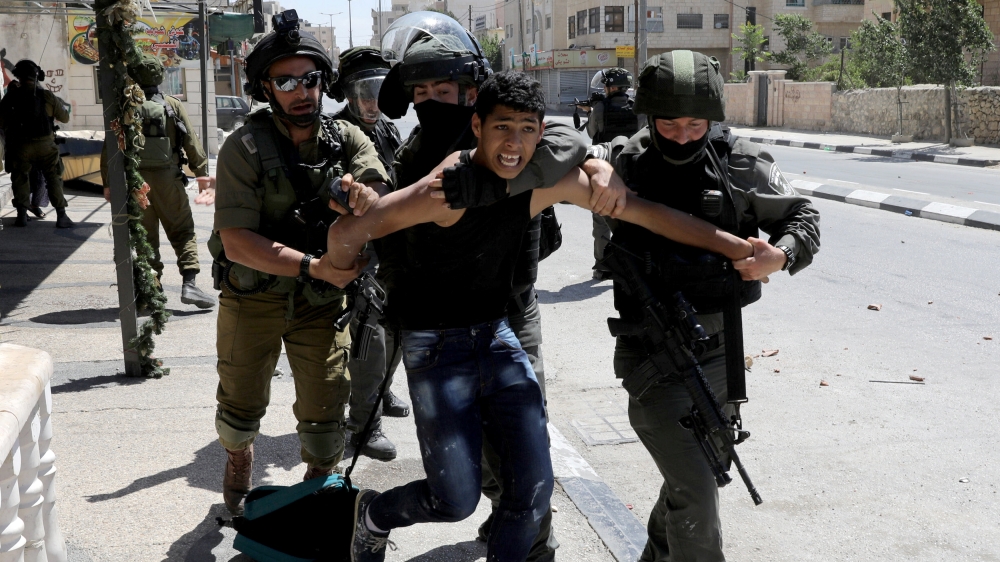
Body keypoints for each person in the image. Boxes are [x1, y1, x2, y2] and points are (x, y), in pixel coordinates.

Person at [312, 69, 755, 562]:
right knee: (455, 500)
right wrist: (336, 267)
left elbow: (642, 211)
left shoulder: (533, 184)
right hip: (435, 351)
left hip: (498, 338)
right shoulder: (444, 190)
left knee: (532, 495)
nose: (513, 143)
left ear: (541, 133)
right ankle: (373, 515)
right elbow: (353, 229)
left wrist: (739, 248)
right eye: (502, 127)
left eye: (527, 129)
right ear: (477, 125)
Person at [375, 12, 621, 561]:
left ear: (471, 93)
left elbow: (560, 133)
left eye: (445, 88)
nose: (432, 99)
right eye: (421, 91)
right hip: (441, 324)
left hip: (513, 309)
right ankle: (500, 517)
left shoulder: (505, 130)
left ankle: (533, 543)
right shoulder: (418, 159)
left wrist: (596, 158)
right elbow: (392, 243)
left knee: (526, 448)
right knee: (473, 468)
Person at [594, 50, 821, 562]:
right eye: (668, 124)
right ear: (648, 116)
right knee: (696, 489)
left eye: (695, 124)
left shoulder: (739, 161)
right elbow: (551, 154)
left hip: (718, 348)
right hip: (650, 354)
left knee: (695, 473)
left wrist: (779, 255)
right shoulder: (623, 161)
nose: (680, 135)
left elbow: (803, 217)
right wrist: (596, 165)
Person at [207, 11, 388, 516]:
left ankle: (313, 498)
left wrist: (362, 194)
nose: (300, 91)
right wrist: (314, 266)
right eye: (285, 81)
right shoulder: (243, 147)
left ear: (323, 83)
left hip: (320, 304)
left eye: (309, 79)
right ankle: (239, 459)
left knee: (326, 412)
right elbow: (237, 241)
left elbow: (377, 185)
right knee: (240, 405)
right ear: (266, 88)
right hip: (252, 297)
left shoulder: (345, 138)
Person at [329, 45, 409, 462]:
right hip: (359, 250)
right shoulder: (337, 134)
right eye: (363, 92)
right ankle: (362, 426)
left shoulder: (388, 130)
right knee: (368, 336)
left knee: (395, 330)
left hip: (390, 243)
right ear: (347, 92)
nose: (371, 102)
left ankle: (380, 392)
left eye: (379, 90)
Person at [100, 54, 216, 309]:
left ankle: (150, 293)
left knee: (145, 238)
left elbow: (110, 147)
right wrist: (201, 175)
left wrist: (109, 183)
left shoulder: (123, 107)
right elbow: (192, 144)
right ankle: (189, 284)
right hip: (169, 180)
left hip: (136, 183)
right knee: (182, 231)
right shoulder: (172, 105)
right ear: (159, 78)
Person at [577, 67, 640, 280]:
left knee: (601, 219)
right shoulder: (636, 107)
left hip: (605, 165)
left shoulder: (601, 107)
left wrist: (591, 112)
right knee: (631, 218)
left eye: (606, 86)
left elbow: (592, 132)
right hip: (630, 166)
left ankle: (603, 266)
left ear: (612, 86)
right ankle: (632, 264)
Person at [0, 59, 72, 228]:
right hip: (45, 145)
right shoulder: (46, 95)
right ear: (37, 76)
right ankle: (61, 215)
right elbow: (65, 117)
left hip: (20, 146)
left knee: (20, 177)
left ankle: (22, 215)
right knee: (53, 177)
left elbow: (0, 121)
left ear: (17, 75)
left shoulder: (11, 96)